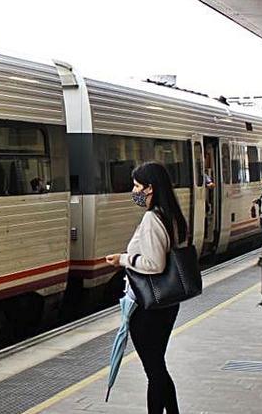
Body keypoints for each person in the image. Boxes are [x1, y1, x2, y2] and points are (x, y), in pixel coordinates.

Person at [105, 161, 188, 414]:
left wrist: (122, 259)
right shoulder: (171, 215)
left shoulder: (153, 218)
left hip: (148, 306)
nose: (134, 190)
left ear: (150, 188)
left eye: (137, 185)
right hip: (166, 303)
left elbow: (153, 263)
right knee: (157, 367)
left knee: (154, 370)